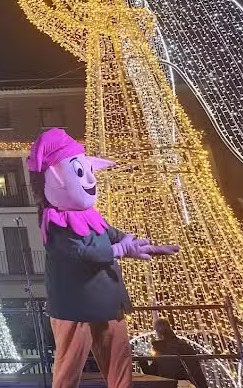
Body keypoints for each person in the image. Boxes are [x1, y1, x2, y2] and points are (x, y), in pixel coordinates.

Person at [28, 129, 180, 388]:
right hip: (73, 307)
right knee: (68, 367)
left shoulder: (91, 216)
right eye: (79, 171)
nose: (89, 179)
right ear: (53, 177)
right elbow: (80, 253)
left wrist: (144, 246)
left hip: (107, 300)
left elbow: (112, 234)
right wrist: (120, 250)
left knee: (119, 363)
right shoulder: (54, 223)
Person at [140, 318, 208, 388]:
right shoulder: (185, 346)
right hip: (187, 385)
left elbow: (152, 373)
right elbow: (197, 372)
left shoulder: (161, 349)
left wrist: (142, 361)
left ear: (158, 333)